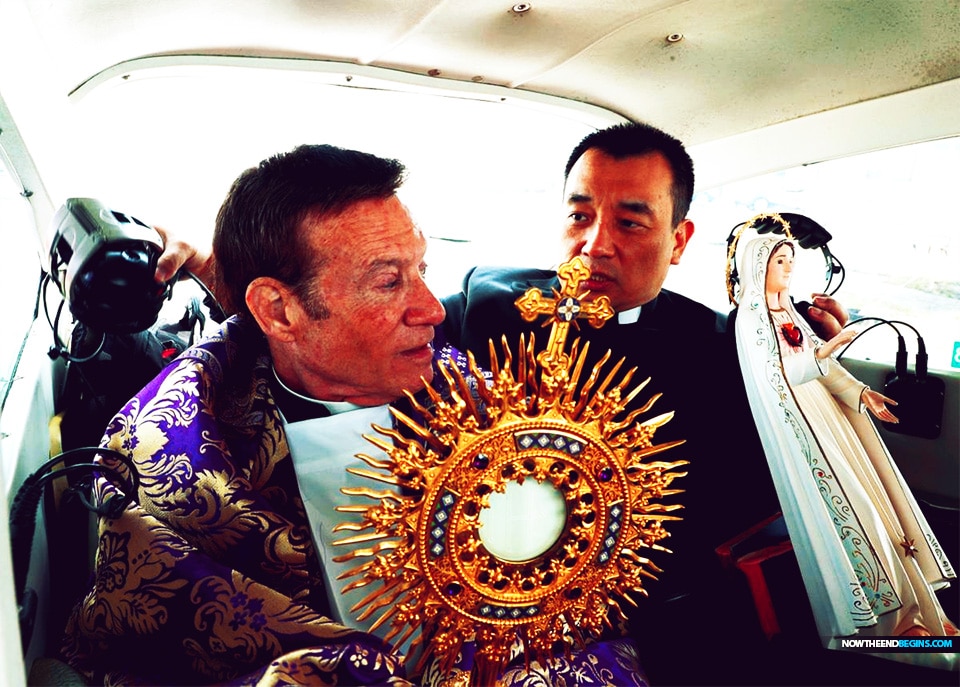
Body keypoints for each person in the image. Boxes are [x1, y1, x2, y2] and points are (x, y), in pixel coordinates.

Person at [62, 144, 648, 686]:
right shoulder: (168, 457)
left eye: (421, 270)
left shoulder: (496, 410)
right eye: (388, 281)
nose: (428, 310)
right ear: (279, 310)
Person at [733, 235, 957, 669]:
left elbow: (819, 366)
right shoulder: (751, 319)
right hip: (804, 430)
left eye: (790, 260)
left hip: (828, 417)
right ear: (757, 266)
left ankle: (923, 614)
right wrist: (830, 346)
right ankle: (888, 629)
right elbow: (782, 374)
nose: (787, 268)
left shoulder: (785, 311)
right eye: (779, 260)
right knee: (856, 517)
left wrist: (859, 392)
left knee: (880, 507)